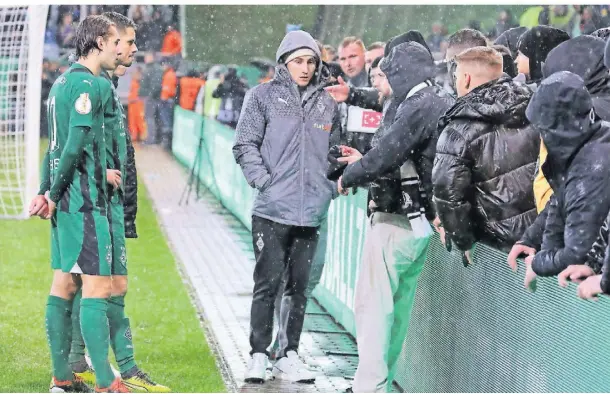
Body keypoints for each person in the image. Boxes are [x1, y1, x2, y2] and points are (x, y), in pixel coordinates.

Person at [336, 42, 453, 393]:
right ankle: (378, 383)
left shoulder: (419, 104)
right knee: (395, 308)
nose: (385, 79)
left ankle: (369, 387)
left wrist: (351, 174)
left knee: (374, 308)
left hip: (399, 218)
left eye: (388, 72)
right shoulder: (438, 98)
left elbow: (388, 153)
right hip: (419, 219)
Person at [232, 30, 341, 384]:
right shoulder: (261, 97)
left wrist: (327, 187)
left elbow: (334, 153)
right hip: (270, 211)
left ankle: (288, 353)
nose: (306, 68)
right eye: (298, 61)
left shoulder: (328, 104)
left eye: (311, 61)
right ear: (283, 63)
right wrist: (264, 181)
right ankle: (258, 354)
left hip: (311, 213)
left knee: (299, 287)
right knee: (267, 284)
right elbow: (244, 144)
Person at [29, 15, 126, 393]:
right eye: (115, 40)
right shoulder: (89, 84)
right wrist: (53, 194)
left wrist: (45, 189)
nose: (119, 48)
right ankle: (105, 382)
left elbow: (52, 146)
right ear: (100, 41)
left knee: (65, 283)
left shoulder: (61, 82)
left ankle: (62, 377)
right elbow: (72, 145)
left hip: (65, 200)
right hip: (83, 201)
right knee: (97, 288)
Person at [508, 35, 610, 278]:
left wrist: (597, 269)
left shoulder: (590, 125)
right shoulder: (589, 123)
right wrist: (536, 240)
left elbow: (582, 192)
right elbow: (567, 191)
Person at [432, 47, 539, 263]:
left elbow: (449, 195)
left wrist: (463, 240)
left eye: (456, 76)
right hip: (543, 235)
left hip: (498, 245)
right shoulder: (536, 106)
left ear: (466, 79)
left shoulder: (457, 130)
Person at [127, 66, 147, 142]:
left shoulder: (141, 82)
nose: (134, 74)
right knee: (132, 120)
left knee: (140, 120)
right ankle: (134, 135)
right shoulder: (133, 81)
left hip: (138, 103)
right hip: (132, 103)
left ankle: (143, 136)